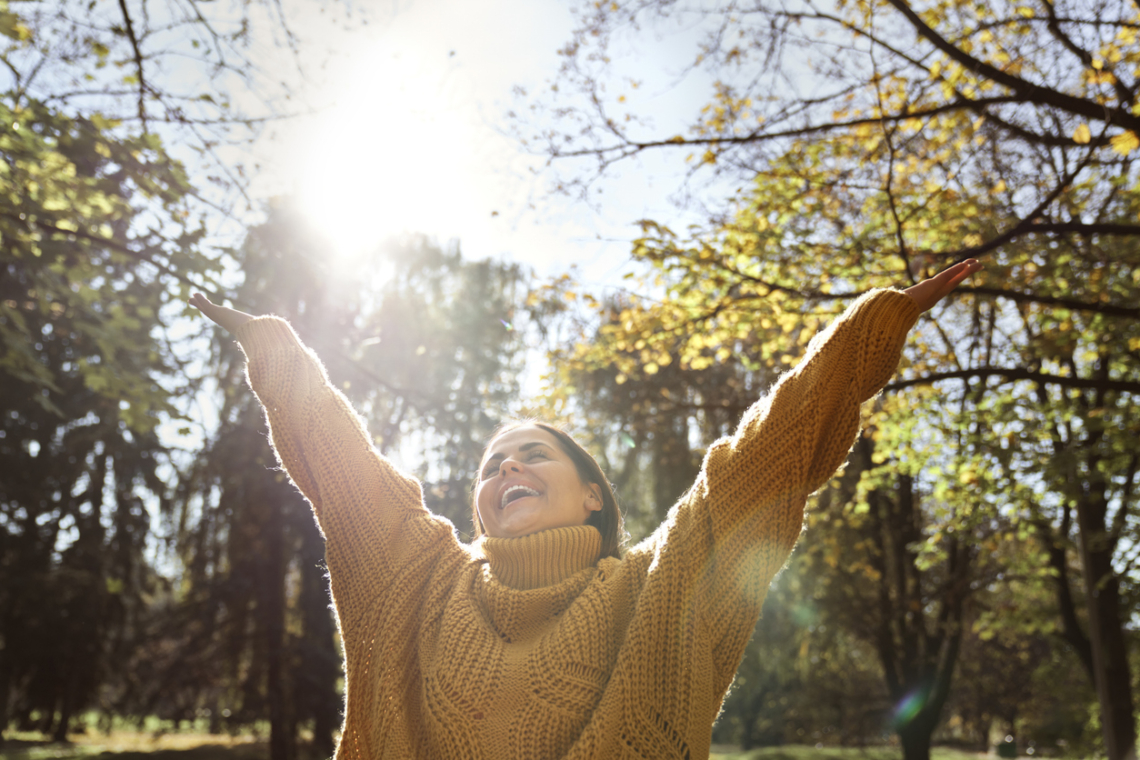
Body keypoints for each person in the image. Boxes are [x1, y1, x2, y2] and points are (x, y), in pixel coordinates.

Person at [189, 258, 981, 760]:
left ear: (592, 495)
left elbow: (756, 468)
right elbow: (347, 474)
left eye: (534, 453)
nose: (508, 466)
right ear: (481, 504)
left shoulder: (657, 589)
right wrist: (277, 352)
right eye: (492, 464)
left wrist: (870, 331)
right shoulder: (419, 578)